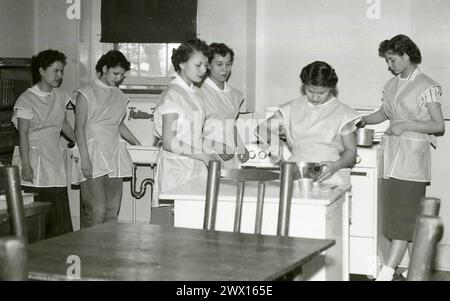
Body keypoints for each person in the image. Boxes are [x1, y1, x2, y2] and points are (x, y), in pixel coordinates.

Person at [358, 34, 445, 281]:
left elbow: (438, 125)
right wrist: (362, 119)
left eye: (393, 60)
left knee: (405, 218)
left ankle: (387, 271)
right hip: (393, 158)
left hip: (412, 162)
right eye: (388, 60)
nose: (389, 65)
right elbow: (383, 114)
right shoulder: (393, 84)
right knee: (401, 218)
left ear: (406, 55)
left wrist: (406, 125)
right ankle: (413, 269)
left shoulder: (427, 86)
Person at [257, 61, 360, 185]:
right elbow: (261, 129)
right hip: (296, 172)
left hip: (329, 173)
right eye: (310, 91)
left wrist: (336, 165)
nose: (315, 97)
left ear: (331, 88)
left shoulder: (343, 113)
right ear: (304, 85)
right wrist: (275, 144)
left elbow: (351, 153)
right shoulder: (291, 108)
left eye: (321, 93)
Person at [72, 50, 141, 228]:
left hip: (114, 152)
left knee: (112, 210)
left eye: (122, 75)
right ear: (104, 68)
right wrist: (84, 159)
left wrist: (137, 143)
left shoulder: (119, 95)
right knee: (97, 210)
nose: (118, 78)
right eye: (115, 73)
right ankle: (88, 254)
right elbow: (79, 127)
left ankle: (107, 253)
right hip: (92, 152)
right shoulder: (85, 93)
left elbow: (118, 124)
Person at [11, 49, 75, 238]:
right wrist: (26, 165)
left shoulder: (61, 96)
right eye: (56, 71)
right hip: (33, 158)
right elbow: (22, 134)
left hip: (54, 157)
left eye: (61, 71)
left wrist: (78, 142)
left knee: (58, 209)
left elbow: (63, 123)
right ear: (41, 71)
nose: (60, 76)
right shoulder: (26, 99)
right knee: (37, 211)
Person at [153, 38, 221, 197]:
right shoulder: (173, 94)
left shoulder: (194, 93)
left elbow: (193, 134)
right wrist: (204, 156)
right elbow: (169, 142)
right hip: (175, 168)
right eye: (198, 65)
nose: (203, 70)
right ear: (182, 63)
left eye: (205, 65)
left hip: (194, 166)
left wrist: (209, 152)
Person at [200, 43, 249, 168]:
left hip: (230, 155)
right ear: (209, 65)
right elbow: (191, 131)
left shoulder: (235, 94)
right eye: (219, 64)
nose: (225, 69)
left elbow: (230, 124)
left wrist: (241, 146)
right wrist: (215, 146)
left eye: (228, 64)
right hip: (206, 154)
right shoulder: (199, 92)